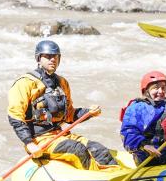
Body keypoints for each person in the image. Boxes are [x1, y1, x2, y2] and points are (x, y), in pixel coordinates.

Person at [7, 40, 117, 170]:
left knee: (99, 150)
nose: (52, 59)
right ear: (38, 58)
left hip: (61, 135)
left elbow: (69, 116)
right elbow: (15, 117)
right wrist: (29, 144)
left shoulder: (62, 82)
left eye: (55, 56)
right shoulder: (25, 83)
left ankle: (115, 175)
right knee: (77, 150)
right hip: (40, 140)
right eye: (47, 56)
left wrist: (89, 113)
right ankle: (99, 179)